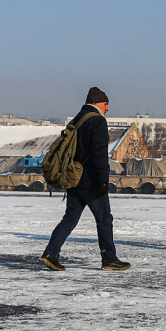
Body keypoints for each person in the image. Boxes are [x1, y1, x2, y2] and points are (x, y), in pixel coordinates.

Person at [41, 87, 130, 271]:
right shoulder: (97, 121)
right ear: (97, 103)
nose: (107, 109)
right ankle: (109, 259)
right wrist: (103, 180)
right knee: (104, 219)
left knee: (70, 218)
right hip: (91, 181)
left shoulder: (78, 119)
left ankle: (51, 253)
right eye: (106, 104)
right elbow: (98, 154)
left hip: (74, 179)